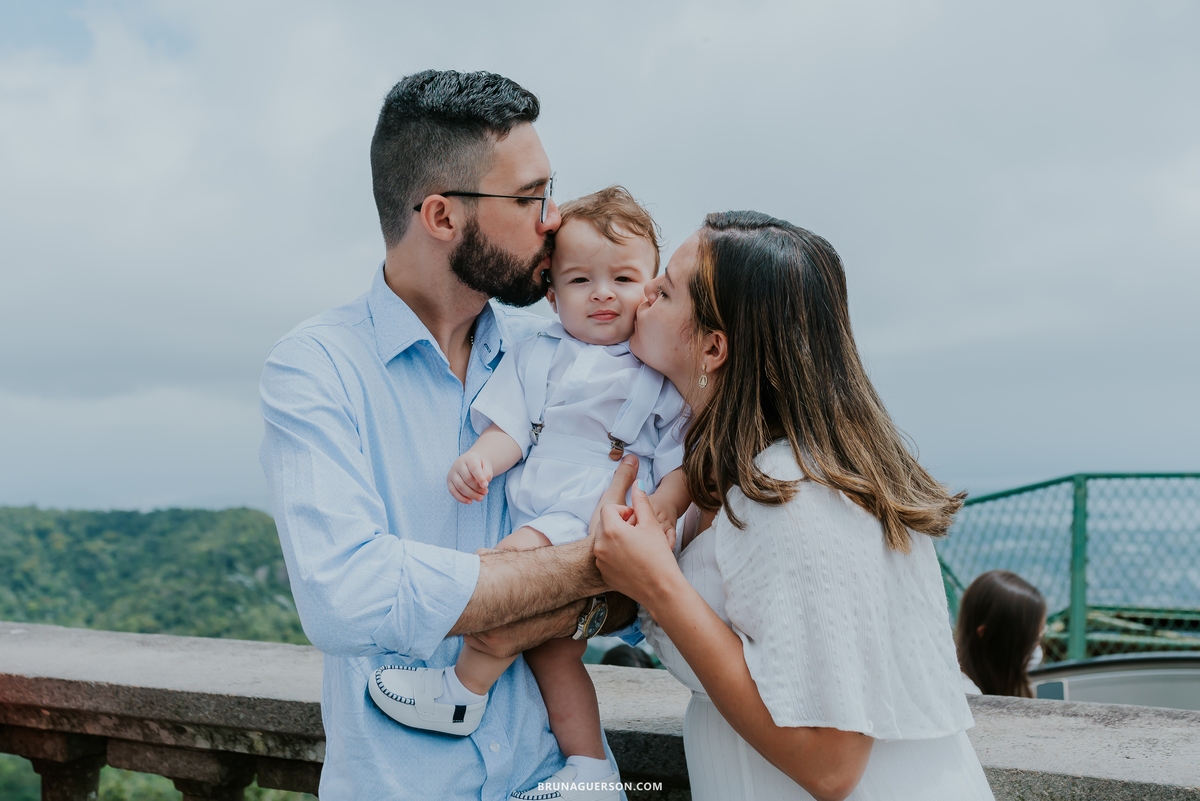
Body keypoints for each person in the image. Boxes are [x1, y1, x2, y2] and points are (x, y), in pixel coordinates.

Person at [260, 70, 642, 801]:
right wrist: (591, 566)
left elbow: (647, 572)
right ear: (440, 215)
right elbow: (348, 596)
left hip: (552, 778)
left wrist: (602, 584)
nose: (554, 219)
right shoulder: (315, 369)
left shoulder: (565, 358)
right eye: (530, 197)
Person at [592, 211, 996, 800]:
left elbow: (832, 763)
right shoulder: (731, 474)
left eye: (667, 288)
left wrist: (656, 585)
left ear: (713, 346)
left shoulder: (798, 493)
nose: (645, 288)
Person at [371, 187, 689, 791]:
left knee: (505, 571)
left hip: (598, 512)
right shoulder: (536, 352)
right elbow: (511, 428)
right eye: (579, 281)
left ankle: (462, 690)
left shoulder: (658, 367)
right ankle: (590, 769)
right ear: (550, 292)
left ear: (652, 288)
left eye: (623, 278)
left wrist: (660, 514)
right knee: (553, 652)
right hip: (544, 505)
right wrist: (480, 461)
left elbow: (682, 463)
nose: (602, 294)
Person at [955, 570, 1048, 697]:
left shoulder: (994, 681)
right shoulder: (968, 694)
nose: (1037, 646)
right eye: (1030, 639)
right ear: (988, 636)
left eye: (1040, 634)